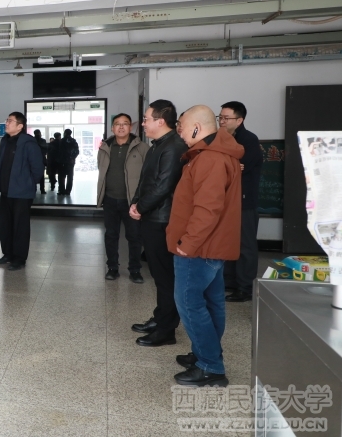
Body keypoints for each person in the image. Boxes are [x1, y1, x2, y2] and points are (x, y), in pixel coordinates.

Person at [168, 105, 243, 387]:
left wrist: (188, 244)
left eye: (182, 127)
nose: (180, 132)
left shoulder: (210, 158)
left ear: (197, 128)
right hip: (212, 244)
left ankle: (210, 366)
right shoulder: (217, 153)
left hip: (199, 247)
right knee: (212, 302)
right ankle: (205, 352)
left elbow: (207, 209)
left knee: (189, 303)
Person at [129, 100, 186, 347]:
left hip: (162, 220)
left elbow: (163, 186)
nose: (143, 123)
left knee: (165, 277)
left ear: (160, 121)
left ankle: (166, 330)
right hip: (152, 216)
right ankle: (161, 317)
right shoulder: (157, 146)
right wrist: (135, 202)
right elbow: (146, 181)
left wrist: (141, 207)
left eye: (146, 119)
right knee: (158, 274)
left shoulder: (173, 147)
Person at [97, 113, 149, 283]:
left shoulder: (142, 148)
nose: (121, 127)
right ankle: (112, 268)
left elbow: (147, 175)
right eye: (117, 124)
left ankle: (135, 270)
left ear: (130, 127)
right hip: (110, 199)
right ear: (112, 128)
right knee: (111, 235)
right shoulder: (105, 147)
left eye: (125, 123)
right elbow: (101, 170)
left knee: (134, 236)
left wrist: (140, 199)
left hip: (132, 201)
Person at [218, 101, 262, 303]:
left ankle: (245, 288)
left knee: (245, 245)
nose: (222, 121)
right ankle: (229, 281)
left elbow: (238, 168)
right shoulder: (220, 139)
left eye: (226, 118)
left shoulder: (249, 140)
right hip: (226, 200)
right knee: (227, 241)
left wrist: (230, 166)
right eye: (220, 117)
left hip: (245, 201)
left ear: (239, 120)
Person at [0, 112, 44, 271]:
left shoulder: (28, 143)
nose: (6, 123)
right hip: (6, 191)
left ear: (20, 126)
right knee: (5, 224)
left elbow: (38, 169)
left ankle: (19, 258)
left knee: (20, 226)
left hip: (22, 193)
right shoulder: (5, 141)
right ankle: (8, 253)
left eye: (10, 121)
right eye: (7, 120)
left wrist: (27, 183)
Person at [57, 129, 79, 195]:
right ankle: (68, 191)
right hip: (70, 162)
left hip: (62, 161)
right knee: (70, 177)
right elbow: (77, 151)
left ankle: (62, 190)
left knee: (61, 177)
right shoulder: (73, 141)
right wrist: (72, 158)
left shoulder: (61, 141)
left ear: (65, 133)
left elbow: (58, 152)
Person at [33, 129, 48, 194]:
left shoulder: (32, 140)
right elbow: (46, 150)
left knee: (33, 175)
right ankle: (42, 189)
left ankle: (34, 189)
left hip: (33, 159)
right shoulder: (43, 141)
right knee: (42, 175)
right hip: (41, 159)